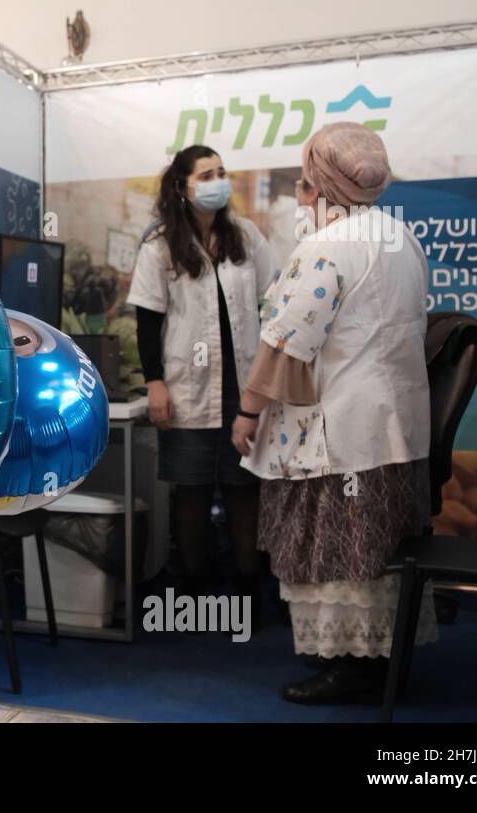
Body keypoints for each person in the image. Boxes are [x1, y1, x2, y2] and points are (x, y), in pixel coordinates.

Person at [231, 122, 436, 704]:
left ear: (321, 186)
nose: (299, 196)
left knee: (334, 553)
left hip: (339, 431)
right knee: (380, 550)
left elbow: (285, 342)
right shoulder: (402, 237)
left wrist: (248, 412)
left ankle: (346, 669)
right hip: (396, 428)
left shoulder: (326, 246)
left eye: (302, 184)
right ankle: (380, 662)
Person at [128, 145, 277, 608]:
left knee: (243, 488)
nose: (218, 182)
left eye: (221, 173)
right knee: (190, 488)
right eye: (206, 175)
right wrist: (155, 382)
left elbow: (272, 301)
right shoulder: (160, 245)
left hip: (243, 384)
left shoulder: (247, 237)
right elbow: (148, 320)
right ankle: (195, 590)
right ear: (181, 186)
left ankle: (248, 591)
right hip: (185, 384)